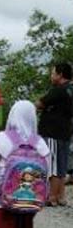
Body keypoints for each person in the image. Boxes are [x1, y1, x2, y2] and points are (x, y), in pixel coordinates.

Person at [36, 62, 73, 206]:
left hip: (53, 132)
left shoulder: (59, 90)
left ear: (60, 74)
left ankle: (51, 197)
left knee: (53, 166)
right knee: (62, 166)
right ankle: (60, 196)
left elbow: (40, 103)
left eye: (53, 73)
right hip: (65, 131)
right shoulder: (71, 89)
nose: (51, 76)